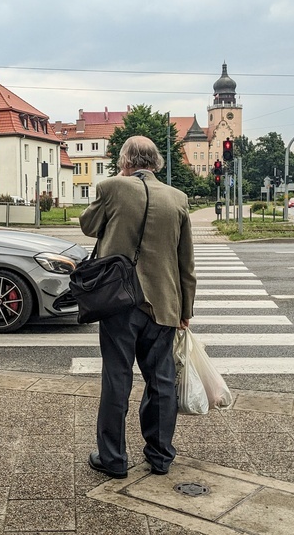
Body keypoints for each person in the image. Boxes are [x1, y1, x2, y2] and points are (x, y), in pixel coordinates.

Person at [79, 135, 196, 479]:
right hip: (164, 303)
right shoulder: (178, 198)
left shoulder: (112, 187)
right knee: (161, 380)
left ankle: (112, 458)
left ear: (126, 161)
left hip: (120, 301)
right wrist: (185, 308)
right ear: (156, 162)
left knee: (117, 378)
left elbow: (88, 226)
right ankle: (160, 457)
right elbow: (185, 262)